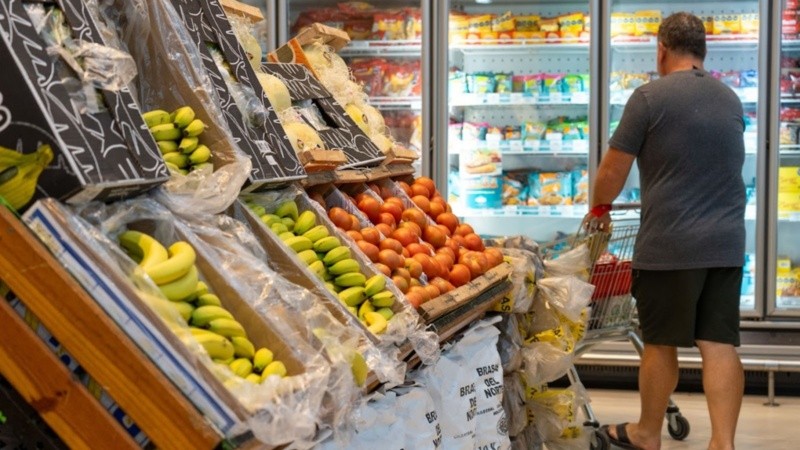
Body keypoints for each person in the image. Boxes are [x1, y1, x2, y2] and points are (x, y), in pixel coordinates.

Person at [588, 12, 746, 450]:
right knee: (719, 343)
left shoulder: (648, 98)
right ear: (703, 53)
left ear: (661, 50)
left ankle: (646, 433)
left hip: (672, 243)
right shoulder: (730, 98)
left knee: (659, 342)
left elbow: (612, 169)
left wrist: (600, 207)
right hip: (727, 243)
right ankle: (723, 443)